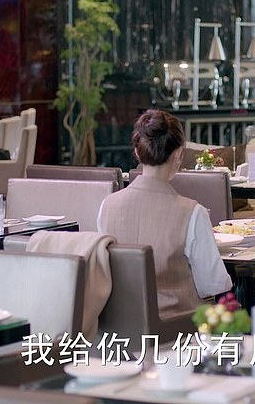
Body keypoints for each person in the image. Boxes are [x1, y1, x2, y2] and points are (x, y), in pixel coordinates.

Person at [97, 109, 232, 317]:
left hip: (120, 325)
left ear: (137, 151)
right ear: (178, 153)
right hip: (176, 327)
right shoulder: (192, 212)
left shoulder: (107, 206)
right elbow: (213, 284)